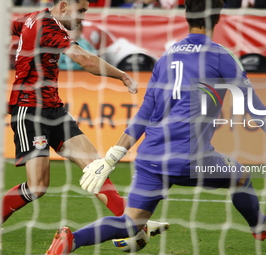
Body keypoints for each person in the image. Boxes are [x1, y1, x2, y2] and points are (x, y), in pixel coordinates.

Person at [45, 0, 266, 253]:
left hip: (151, 158)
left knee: (131, 222)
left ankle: (71, 241)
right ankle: (260, 226)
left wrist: (111, 157)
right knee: (241, 176)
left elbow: (145, 113)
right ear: (219, 15)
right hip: (192, 159)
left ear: (186, 13)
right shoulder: (222, 56)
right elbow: (257, 112)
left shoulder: (166, 56)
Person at [4, 0, 167, 240]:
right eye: (80, 11)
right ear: (63, 6)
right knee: (37, 186)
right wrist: (122, 75)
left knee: (95, 168)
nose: (82, 18)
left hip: (54, 109)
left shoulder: (33, 18)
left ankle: (135, 223)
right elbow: (85, 60)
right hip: (29, 111)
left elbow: (11, 26)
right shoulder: (47, 26)